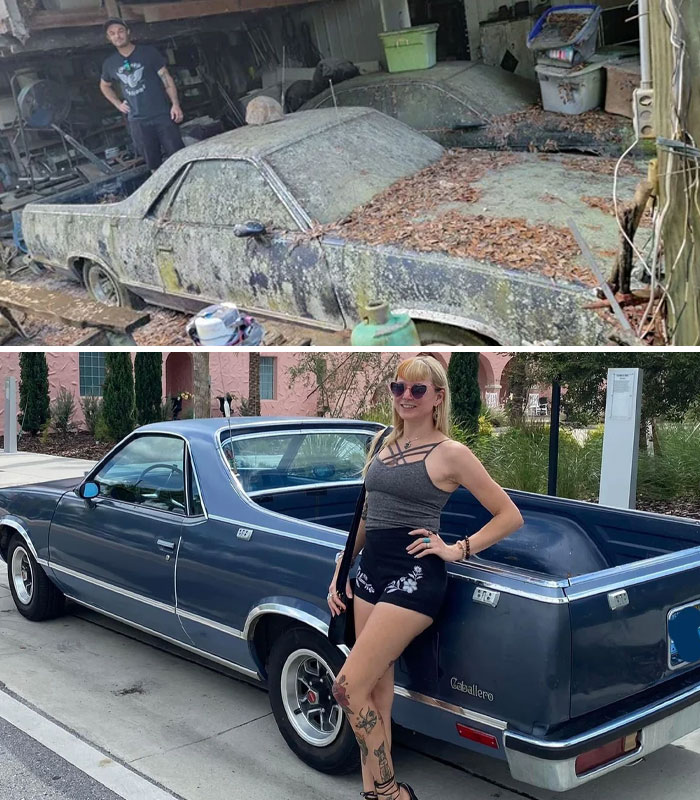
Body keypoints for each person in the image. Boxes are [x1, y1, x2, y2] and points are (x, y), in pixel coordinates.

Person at [328, 355, 523, 800]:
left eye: (418, 390)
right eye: (399, 388)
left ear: (438, 397)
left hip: (415, 575)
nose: (406, 397)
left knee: (346, 687)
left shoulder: (451, 453)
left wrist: (457, 549)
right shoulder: (382, 441)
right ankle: (374, 794)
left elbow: (509, 515)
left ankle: (393, 793)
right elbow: (367, 516)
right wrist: (342, 570)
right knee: (375, 693)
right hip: (371, 572)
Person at [99, 18, 185, 172]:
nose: (117, 36)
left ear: (128, 32)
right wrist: (118, 104)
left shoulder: (148, 53)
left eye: (120, 31)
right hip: (138, 121)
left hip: (162, 115)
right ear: (109, 38)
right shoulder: (110, 63)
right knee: (153, 164)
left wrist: (175, 104)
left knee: (179, 157)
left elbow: (166, 77)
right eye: (112, 33)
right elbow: (104, 86)